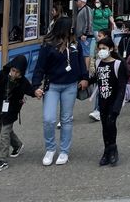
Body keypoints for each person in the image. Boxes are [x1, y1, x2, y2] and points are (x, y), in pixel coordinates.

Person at [32, 18, 89, 166]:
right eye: (70, 27)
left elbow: (81, 62)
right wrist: (36, 86)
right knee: (48, 119)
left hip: (70, 85)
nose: (73, 29)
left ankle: (64, 151)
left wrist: (84, 77)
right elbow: (40, 66)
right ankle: (50, 148)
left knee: (66, 119)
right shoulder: (48, 45)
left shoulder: (75, 43)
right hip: (52, 85)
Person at [0, 54, 43, 173]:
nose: (14, 74)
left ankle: (2, 161)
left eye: (18, 72)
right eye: (13, 70)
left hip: (11, 109)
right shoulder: (1, 76)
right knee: (3, 129)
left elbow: (29, 89)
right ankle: (17, 145)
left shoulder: (22, 81)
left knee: (4, 132)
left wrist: (36, 92)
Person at [88, 37, 128, 166]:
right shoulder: (99, 63)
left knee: (111, 124)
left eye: (104, 48)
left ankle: (113, 149)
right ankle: (106, 151)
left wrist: (117, 105)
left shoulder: (118, 64)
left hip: (114, 101)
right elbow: (95, 79)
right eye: (99, 49)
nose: (101, 51)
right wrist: (84, 81)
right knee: (105, 126)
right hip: (103, 102)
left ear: (111, 49)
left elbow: (122, 87)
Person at [74, 0, 94, 69]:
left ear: (82, 1)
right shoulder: (81, 9)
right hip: (81, 36)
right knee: (82, 53)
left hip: (85, 36)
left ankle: (86, 71)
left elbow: (89, 22)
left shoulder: (86, 9)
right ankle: (83, 70)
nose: (76, 2)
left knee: (86, 54)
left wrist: (85, 33)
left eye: (77, 0)